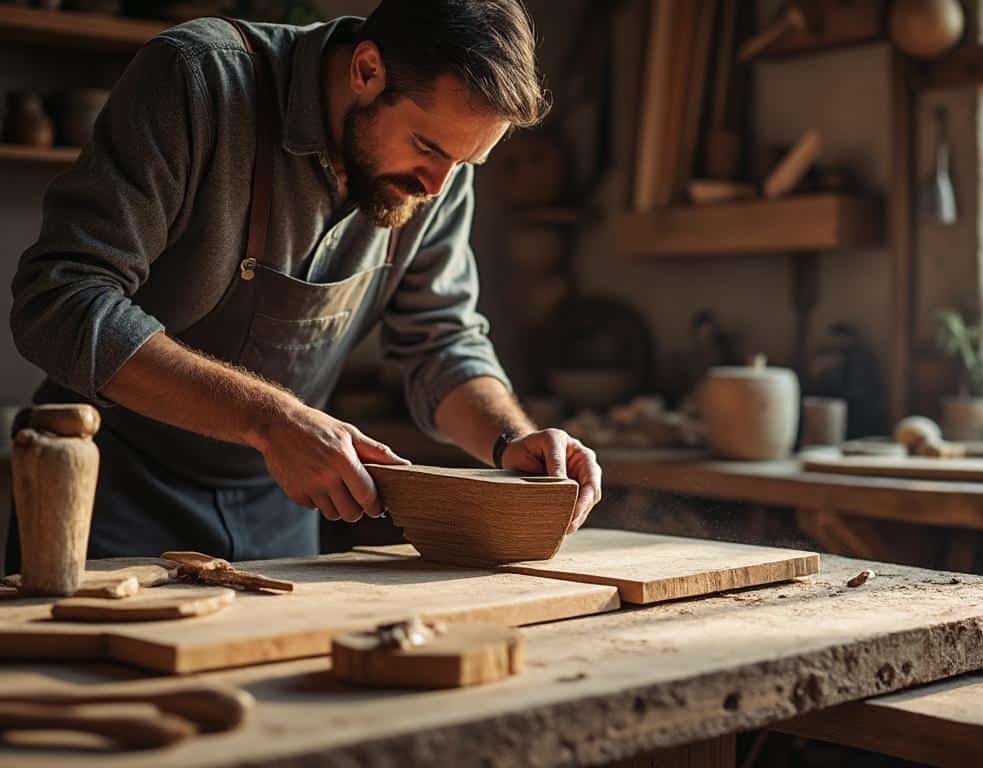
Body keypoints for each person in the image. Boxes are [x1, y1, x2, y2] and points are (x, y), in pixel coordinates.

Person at [6, 0, 601, 565]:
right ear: (367, 70)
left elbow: (442, 342)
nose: (437, 187)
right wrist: (272, 420)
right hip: (107, 486)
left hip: (278, 507)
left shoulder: (438, 172)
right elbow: (61, 300)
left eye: (464, 164)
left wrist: (511, 443)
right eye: (427, 148)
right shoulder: (201, 81)